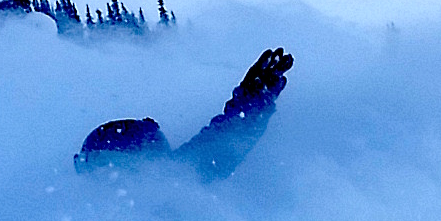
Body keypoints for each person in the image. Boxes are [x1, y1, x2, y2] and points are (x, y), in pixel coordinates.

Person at [75, 48, 294, 181]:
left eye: (104, 165)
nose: (94, 178)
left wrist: (252, 102)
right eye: (87, 165)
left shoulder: (170, 196)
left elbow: (223, 144)